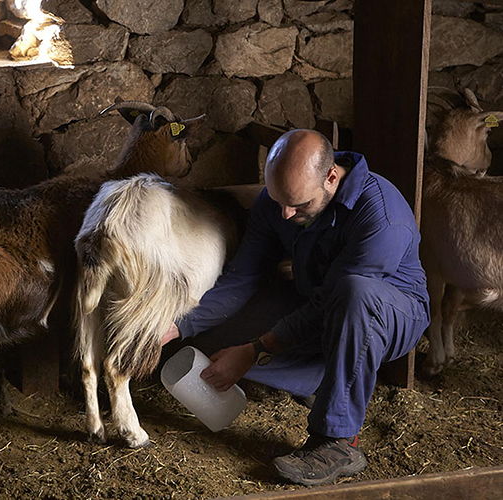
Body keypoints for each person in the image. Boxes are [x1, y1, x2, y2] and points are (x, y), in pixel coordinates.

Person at [161, 129, 430, 486]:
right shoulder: (280, 203)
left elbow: (335, 300)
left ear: (331, 177)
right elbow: (243, 277)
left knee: (354, 292)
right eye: (277, 201)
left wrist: (256, 348)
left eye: (299, 205)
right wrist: (176, 326)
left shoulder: (380, 213)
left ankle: (336, 441)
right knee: (207, 347)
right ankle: (322, 377)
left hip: (387, 314)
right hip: (313, 301)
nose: (285, 214)